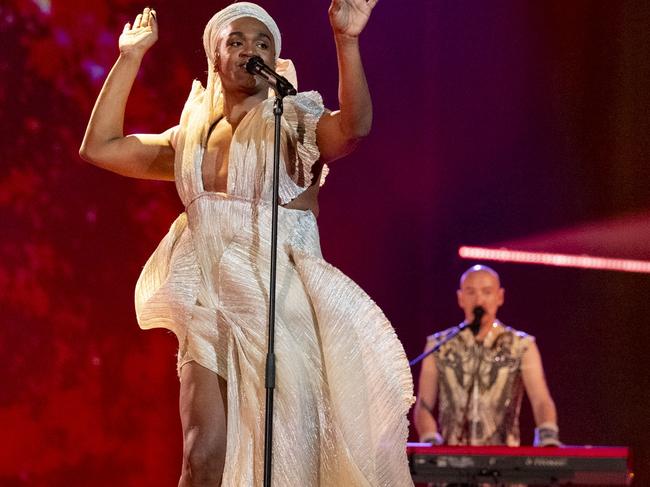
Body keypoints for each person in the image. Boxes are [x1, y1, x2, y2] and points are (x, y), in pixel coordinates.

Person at [79, 2, 414, 486]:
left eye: (262, 44)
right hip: (211, 305)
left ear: (275, 60)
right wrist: (130, 57)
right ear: (213, 56)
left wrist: (347, 42)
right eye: (235, 42)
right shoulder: (190, 138)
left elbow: (353, 128)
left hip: (284, 307)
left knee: (294, 458)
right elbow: (101, 147)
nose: (249, 51)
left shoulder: (293, 120)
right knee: (202, 453)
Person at [413, 265, 560, 447]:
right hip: (451, 463)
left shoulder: (522, 345)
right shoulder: (438, 345)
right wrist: (430, 439)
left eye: (487, 292)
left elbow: (540, 399)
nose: (479, 300)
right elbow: (424, 405)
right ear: (460, 298)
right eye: (471, 292)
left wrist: (548, 434)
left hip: (504, 463)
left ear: (500, 297)